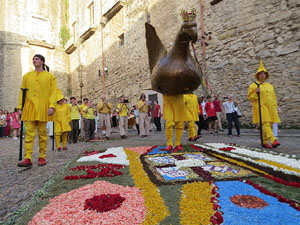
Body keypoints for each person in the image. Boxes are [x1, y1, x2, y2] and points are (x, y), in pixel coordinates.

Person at [17, 54, 57, 167]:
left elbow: (53, 92)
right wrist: (20, 107)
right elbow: (22, 92)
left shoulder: (50, 77)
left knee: (42, 133)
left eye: (37, 59)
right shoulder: (27, 76)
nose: (34, 61)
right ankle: (28, 157)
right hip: (29, 107)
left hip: (43, 107)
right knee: (29, 133)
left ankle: (42, 156)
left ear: (42, 62)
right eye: (33, 59)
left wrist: (52, 106)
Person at [248, 60, 280, 148]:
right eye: (260, 73)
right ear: (257, 75)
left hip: (270, 107)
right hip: (260, 107)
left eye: (264, 73)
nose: (262, 74)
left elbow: (273, 97)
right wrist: (255, 93)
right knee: (265, 123)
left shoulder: (270, 86)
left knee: (269, 124)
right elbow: (250, 97)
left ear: (266, 75)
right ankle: (273, 140)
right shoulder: (253, 85)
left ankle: (265, 142)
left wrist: (275, 107)